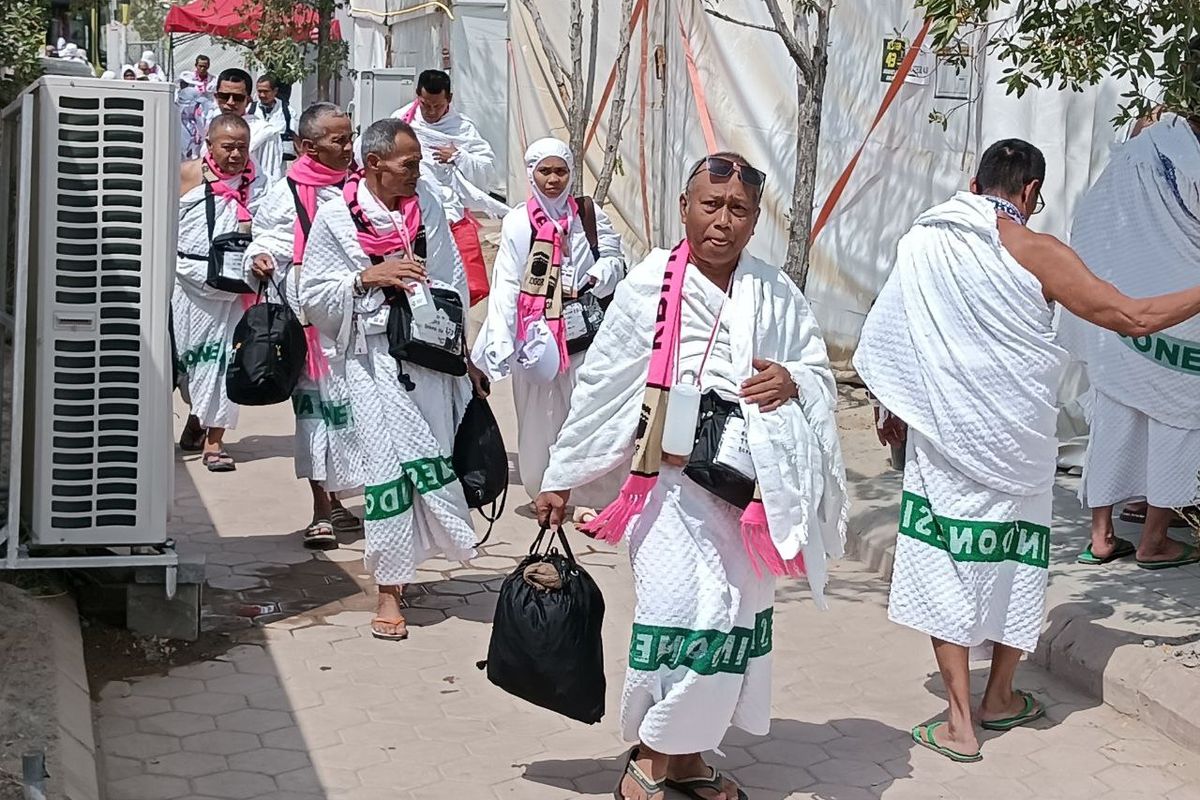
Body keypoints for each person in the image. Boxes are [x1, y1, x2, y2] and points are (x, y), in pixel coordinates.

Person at [854, 139, 1200, 764]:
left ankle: (959, 721)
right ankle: (1002, 695)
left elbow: (891, 332)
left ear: (973, 180)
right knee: (1016, 562)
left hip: (945, 436)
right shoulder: (1035, 251)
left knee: (947, 563)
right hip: (1019, 441)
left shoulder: (924, 240)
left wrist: (892, 405)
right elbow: (1132, 315)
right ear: (1032, 193)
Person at [535, 153, 847, 800]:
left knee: (732, 618)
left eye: (738, 210)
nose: (722, 222)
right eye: (711, 205)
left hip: (744, 497)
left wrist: (792, 380)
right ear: (685, 208)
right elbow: (604, 386)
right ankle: (651, 758)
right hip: (668, 493)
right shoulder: (649, 286)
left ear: (755, 220)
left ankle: (690, 756)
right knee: (681, 614)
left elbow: (816, 371)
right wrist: (561, 477)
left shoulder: (774, 292)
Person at [300, 119, 490, 640]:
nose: (417, 172)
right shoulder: (337, 216)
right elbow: (312, 293)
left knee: (428, 460)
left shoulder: (426, 206)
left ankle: (410, 566)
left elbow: (450, 281)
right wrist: (366, 276)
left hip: (429, 358)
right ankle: (389, 588)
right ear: (375, 163)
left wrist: (465, 356)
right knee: (389, 466)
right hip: (372, 361)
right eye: (409, 164)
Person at [471, 138, 626, 514]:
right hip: (535, 334)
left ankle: (591, 496)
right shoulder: (518, 222)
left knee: (585, 410)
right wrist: (502, 339)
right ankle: (545, 489)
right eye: (545, 171)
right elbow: (507, 282)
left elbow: (615, 259)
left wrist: (600, 273)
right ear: (531, 174)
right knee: (537, 416)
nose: (553, 180)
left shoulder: (588, 215)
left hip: (583, 331)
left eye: (560, 171)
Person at [242, 102, 363, 548]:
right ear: (309, 147)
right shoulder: (284, 193)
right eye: (339, 140)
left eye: (351, 137)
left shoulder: (363, 189)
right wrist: (259, 260)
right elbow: (265, 240)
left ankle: (343, 499)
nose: (349, 147)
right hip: (308, 327)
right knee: (315, 417)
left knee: (355, 418)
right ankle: (321, 510)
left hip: (357, 324)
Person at [173, 114, 258, 472]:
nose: (236, 155)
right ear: (209, 145)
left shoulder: (258, 182)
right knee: (184, 363)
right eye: (228, 146)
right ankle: (196, 419)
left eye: (242, 147)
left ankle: (214, 441)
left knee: (223, 364)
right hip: (185, 282)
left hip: (232, 288)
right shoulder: (186, 174)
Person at [389, 69, 508, 304]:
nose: (432, 112)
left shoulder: (463, 129)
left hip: (449, 215)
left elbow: (487, 170)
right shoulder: (401, 122)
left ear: (449, 100)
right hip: (409, 213)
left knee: (449, 275)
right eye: (426, 105)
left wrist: (459, 156)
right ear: (417, 97)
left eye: (438, 106)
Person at [207, 67, 283, 190]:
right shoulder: (211, 126)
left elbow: (269, 179)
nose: (230, 102)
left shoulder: (264, 133)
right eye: (224, 96)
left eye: (237, 98)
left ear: (248, 100)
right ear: (216, 97)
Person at [250, 74, 297, 165]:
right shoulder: (250, 109)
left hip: (277, 162)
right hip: (255, 160)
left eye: (266, 91)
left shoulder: (287, 111)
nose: (262, 95)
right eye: (260, 91)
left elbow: (295, 135)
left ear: (275, 91)